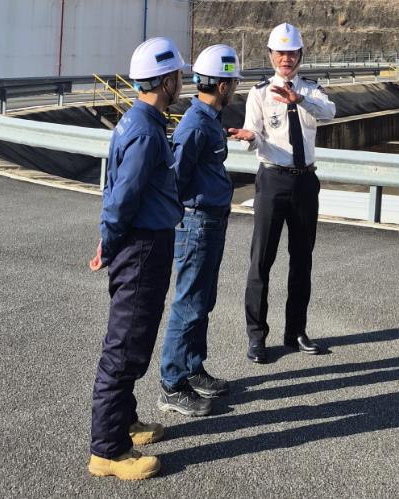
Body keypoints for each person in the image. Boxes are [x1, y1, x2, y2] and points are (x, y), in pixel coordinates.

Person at [87, 37, 185, 480]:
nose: (181, 81)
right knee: (124, 349)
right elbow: (122, 199)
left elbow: (115, 192)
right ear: (164, 82)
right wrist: (108, 244)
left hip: (141, 242)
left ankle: (125, 422)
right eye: (177, 75)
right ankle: (107, 450)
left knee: (131, 341)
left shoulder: (136, 120)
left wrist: (109, 241)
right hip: (143, 247)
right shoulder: (146, 132)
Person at [227, 23, 336, 364]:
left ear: (300, 55)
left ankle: (296, 331)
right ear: (271, 55)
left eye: (291, 53)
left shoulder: (311, 90)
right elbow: (254, 132)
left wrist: (299, 99)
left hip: (305, 181)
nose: (286, 59)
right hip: (273, 180)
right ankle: (256, 336)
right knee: (262, 260)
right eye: (280, 53)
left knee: (302, 260)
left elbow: (330, 112)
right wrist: (250, 138)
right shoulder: (259, 93)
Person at [157, 45, 242, 416]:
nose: (235, 88)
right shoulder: (195, 124)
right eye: (233, 82)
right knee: (189, 302)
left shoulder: (208, 119)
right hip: (197, 222)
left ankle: (193, 368)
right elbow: (177, 178)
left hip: (211, 220)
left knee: (202, 300)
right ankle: (172, 384)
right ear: (222, 86)